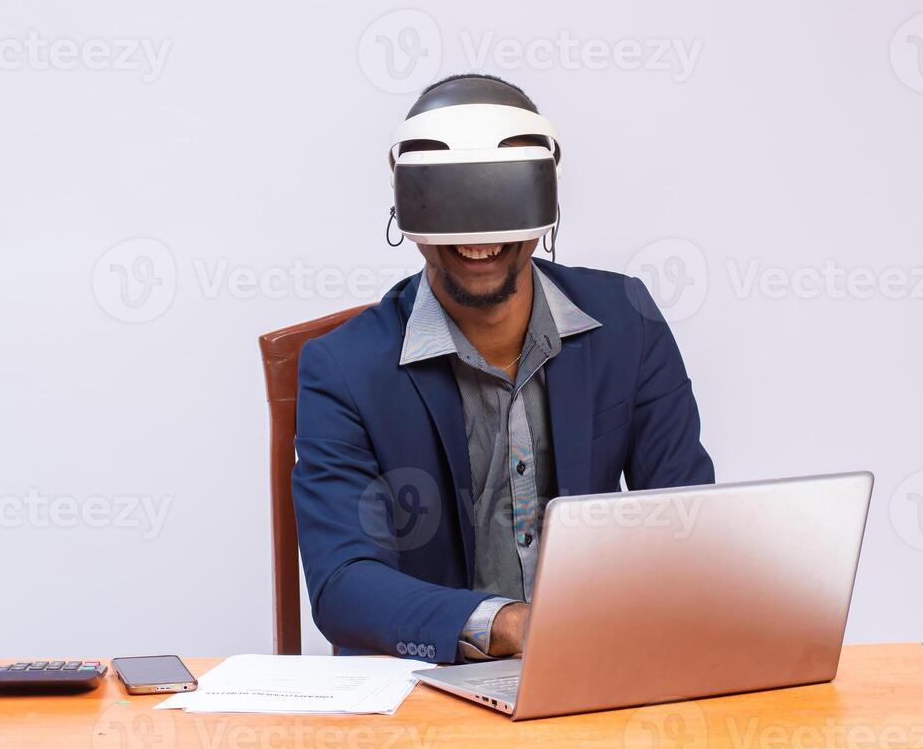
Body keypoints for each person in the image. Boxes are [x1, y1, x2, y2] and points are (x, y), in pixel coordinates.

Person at [292, 73, 715, 663]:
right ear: (408, 209)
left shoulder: (627, 322)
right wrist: (510, 625)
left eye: (499, 201)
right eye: (452, 205)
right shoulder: (343, 369)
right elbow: (344, 584)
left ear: (544, 203)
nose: (479, 239)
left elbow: (687, 520)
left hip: (597, 670)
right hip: (429, 689)